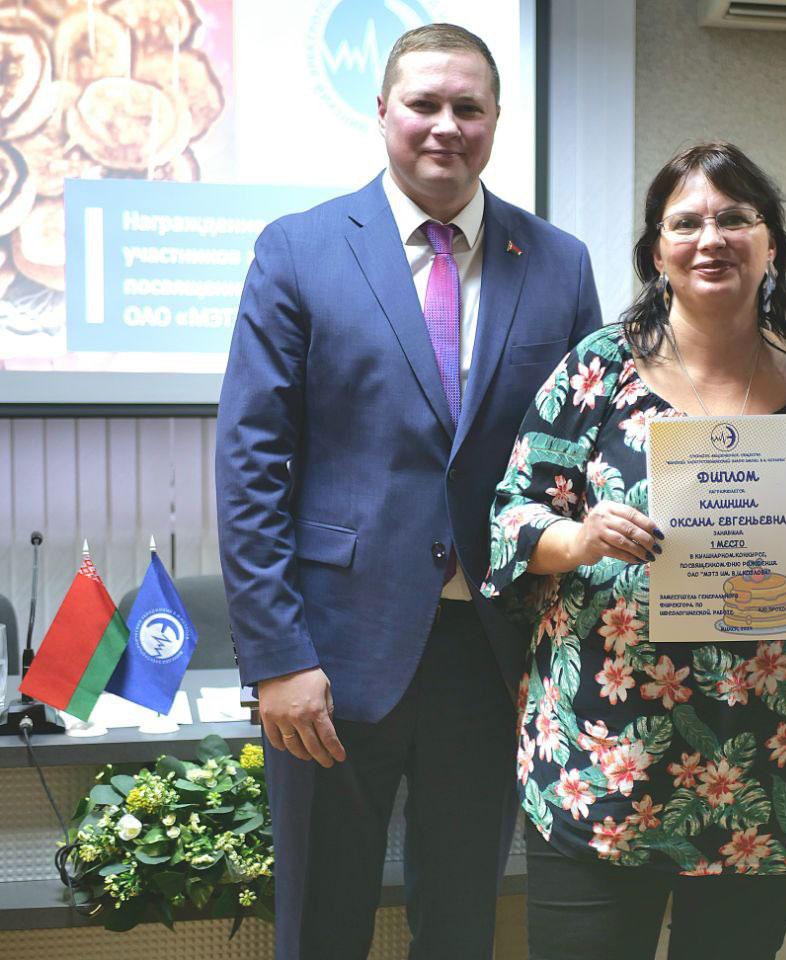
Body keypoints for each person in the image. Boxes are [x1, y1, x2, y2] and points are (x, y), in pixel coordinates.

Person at [215, 24, 601, 960]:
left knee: (463, 922)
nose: (445, 125)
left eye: (468, 107)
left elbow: (586, 455)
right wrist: (277, 658)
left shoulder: (558, 262)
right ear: (383, 111)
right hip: (333, 654)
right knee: (323, 923)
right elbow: (251, 463)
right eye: (424, 104)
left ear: (497, 118)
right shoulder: (300, 249)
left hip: (494, 652)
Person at [483, 141, 786, 960]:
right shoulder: (599, 370)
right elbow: (509, 518)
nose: (710, 239)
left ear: (771, 243)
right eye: (685, 223)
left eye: (735, 219)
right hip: (606, 759)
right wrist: (579, 538)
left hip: (767, 762)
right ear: (657, 252)